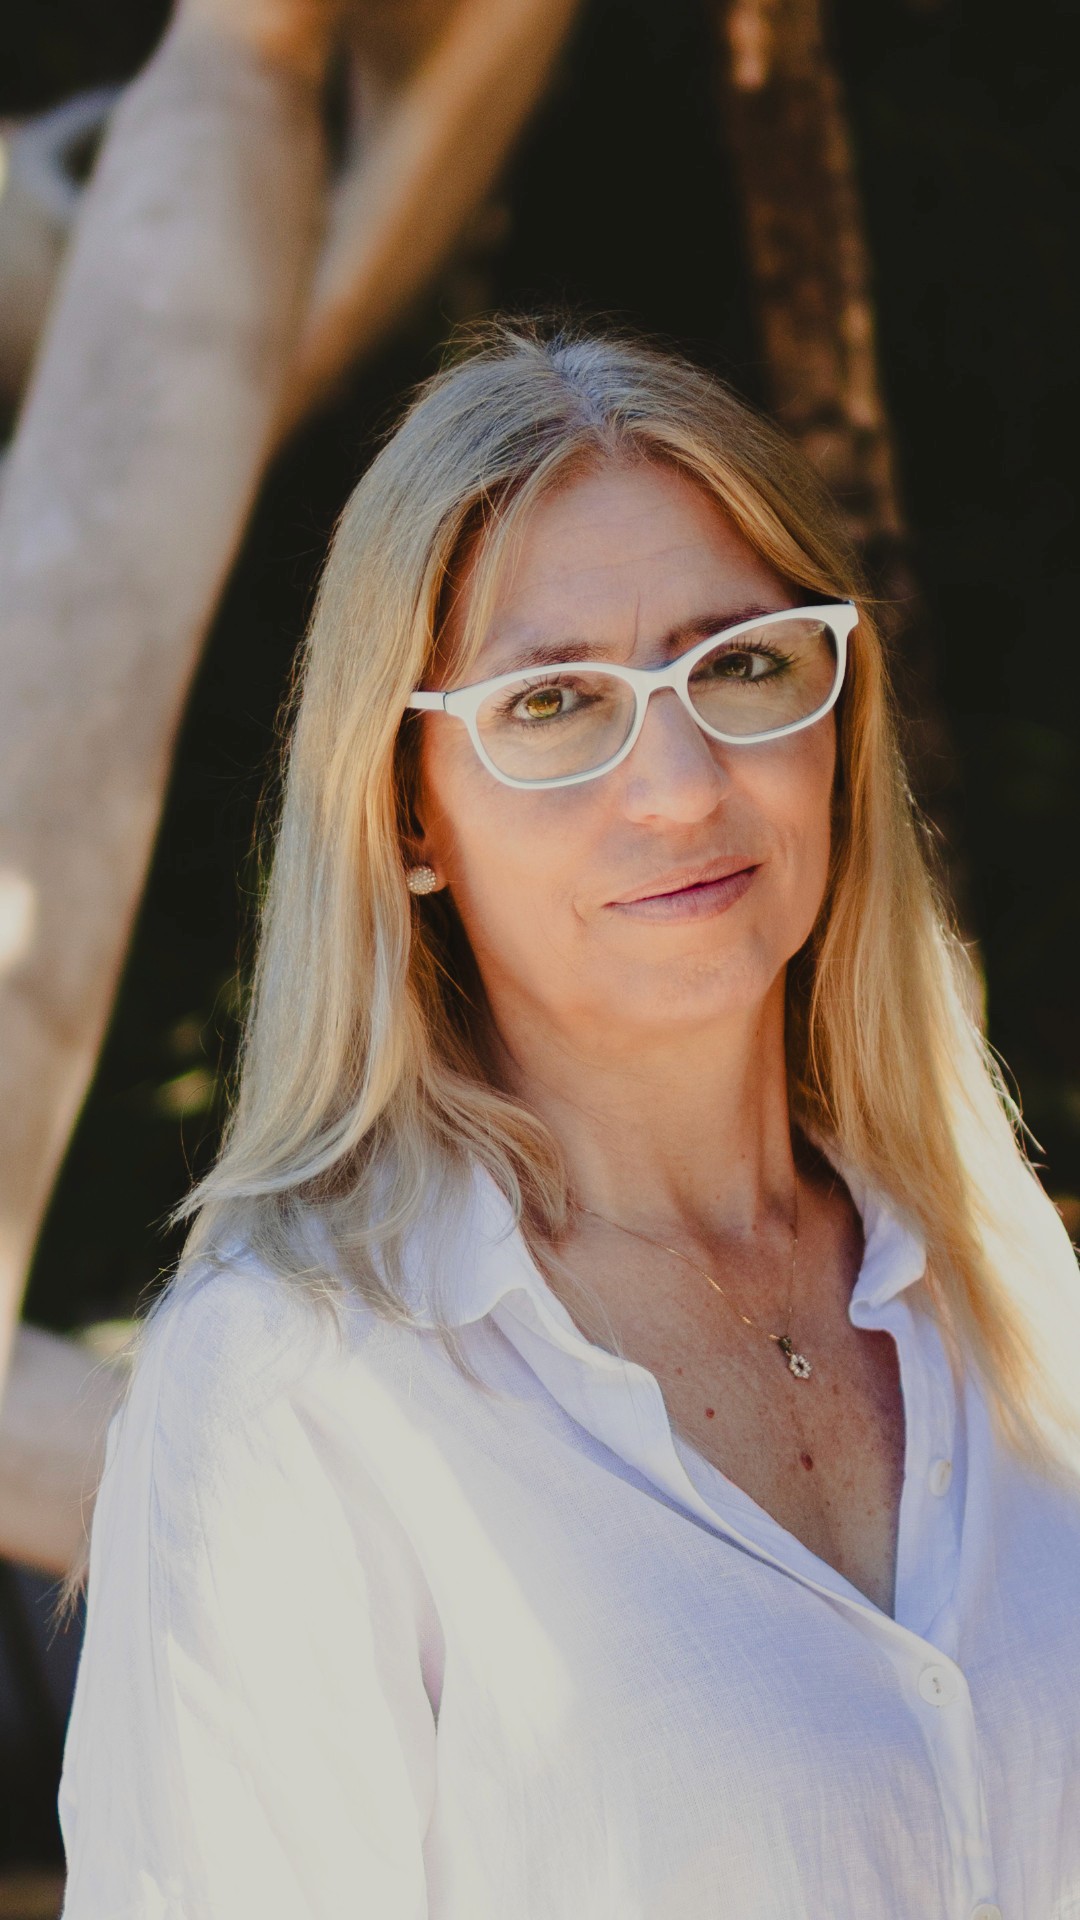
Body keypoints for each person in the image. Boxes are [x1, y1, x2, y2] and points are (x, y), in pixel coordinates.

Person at [57, 323, 1080, 1918]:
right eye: (551, 703)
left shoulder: (1009, 1293)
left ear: (834, 717)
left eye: (739, 664)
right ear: (406, 809)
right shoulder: (299, 1394)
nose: (676, 779)